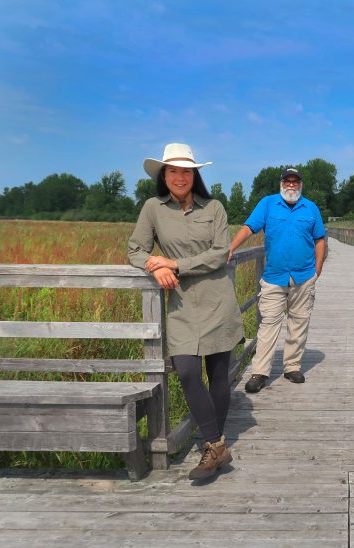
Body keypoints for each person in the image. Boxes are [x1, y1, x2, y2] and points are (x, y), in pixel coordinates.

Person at [128, 143, 244, 481]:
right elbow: (135, 248)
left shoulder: (215, 208)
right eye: (174, 170)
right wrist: (153, 265)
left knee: (218, 375)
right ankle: (218, 445)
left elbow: (221, 253)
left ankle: (212, 446)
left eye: (186, 171)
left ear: (195, 175)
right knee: (188, 371)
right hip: (180, 303)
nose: (180, 177)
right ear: (164, 175)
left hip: (217, 300)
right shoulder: (153, 208)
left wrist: (175, 263)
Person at [229, 167, 326, 393]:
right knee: (269, 324)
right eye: (287, 181)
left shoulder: (310, 208)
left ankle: (292, 366)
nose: (291, 185)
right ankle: (260, 372)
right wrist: (231, 248)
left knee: (299, 323)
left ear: (300, 185)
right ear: (281, 184)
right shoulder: (268, 204)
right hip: (274, 276)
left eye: (295, 182)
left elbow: (320, 239)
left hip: (303, 276)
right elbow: (249, 228)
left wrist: (317, 270)